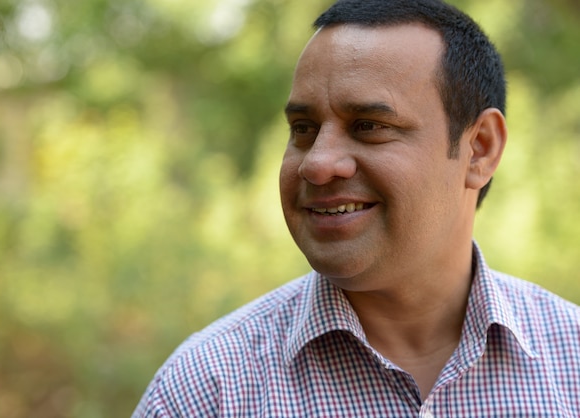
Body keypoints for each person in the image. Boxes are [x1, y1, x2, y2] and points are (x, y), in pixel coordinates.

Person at [133, 0, 580, 416]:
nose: (318, 164)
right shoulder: (207, 391)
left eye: (369, 126)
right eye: (304, 129)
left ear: (479, 149)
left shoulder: (571, 363)